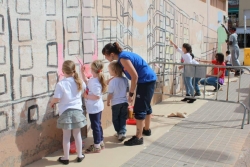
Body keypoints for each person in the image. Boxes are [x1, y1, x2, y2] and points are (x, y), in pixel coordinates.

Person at [102, 42, 156, 146]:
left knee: (139, 109)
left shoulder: (123, 58)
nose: (105, 57)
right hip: (147, 79)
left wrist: (131, 94)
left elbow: (134, 76)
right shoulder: (123, 57)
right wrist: (111, 79)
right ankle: (146, 129)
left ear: (112, 54)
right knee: (146, 106)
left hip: (145, 81)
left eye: (106, 55)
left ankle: (138, 137)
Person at [49, 60, 87, 165]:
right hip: (78, 112)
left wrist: (52, 103)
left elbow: (57, 98)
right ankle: (80, 155)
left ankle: (66, 158)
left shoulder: (61, 84)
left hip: (65, 112)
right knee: (77, 134)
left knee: (66, 136)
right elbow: (84, 90)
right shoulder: (79, 81)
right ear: (73, 70)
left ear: (63, 71)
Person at [81, 60, 107, 153]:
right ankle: (100, 142)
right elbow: (86, 81)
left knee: (95, 126)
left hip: (94, 108)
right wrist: (82, 72)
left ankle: (96, 146)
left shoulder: (95, 83)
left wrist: (86, 96)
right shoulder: (93, 79)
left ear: (93, 70)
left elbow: (97, 96)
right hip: (96, 107)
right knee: (98, 125)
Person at [107, 60, 129, 141]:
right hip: (124, 102)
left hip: (116, 103)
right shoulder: (125, 80)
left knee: (115, 119)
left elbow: (110, 94)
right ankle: (122, 132)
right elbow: (127, 90)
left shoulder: (112, 82)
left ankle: (119, 132)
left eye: (109, 70)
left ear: (114, 71)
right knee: (123, 117)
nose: (109, 72)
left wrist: (108, 101)